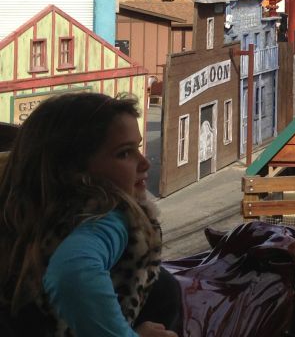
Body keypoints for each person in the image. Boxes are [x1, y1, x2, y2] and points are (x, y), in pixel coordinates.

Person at [0, 92, 178, 337]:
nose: (145, 162)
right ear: (73, 171)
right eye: (124, 153)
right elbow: (72, 274)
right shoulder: (110, 218)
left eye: (136, 147)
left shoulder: (26, 231)